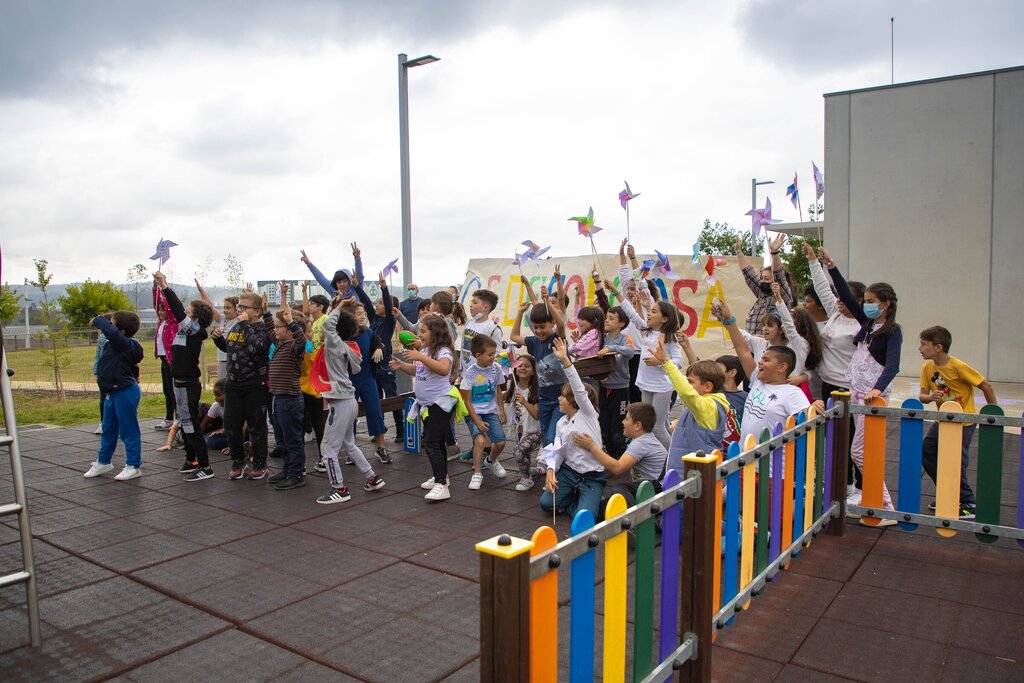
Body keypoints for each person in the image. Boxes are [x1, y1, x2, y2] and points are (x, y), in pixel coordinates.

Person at [819, 246, 901, 524]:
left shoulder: (892, 331)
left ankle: (885, 505)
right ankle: (876, 501)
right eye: (864, 300)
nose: (866, 304)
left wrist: (878, 388)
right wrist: (831, 267)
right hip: (857, 394)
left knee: (859, 451)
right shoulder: (866, 324)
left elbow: (893, 365)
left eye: (872, 300)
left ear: (886, 304)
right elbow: (844, 294)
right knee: (860, 449)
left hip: (871, 398)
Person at [608, 240, 684, 450]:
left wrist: (664, 360)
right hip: (645, 383)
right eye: (649, 312)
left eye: (653, 312)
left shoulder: (668, 337)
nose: (648, 314)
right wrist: (616, 292)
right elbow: (631, 311)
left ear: (665, 319)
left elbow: (678, 360)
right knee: (647, 427)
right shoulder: (646, 329)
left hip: (661, 387)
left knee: (658, 427)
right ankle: (655, 456)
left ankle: (673, 460)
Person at [918, 325, 997, 519]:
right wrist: (930, 398)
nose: (919, 348)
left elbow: (985, 385)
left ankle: (968, 501)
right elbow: (922, 396)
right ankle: (950, 494)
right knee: (927, 450)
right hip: (944, 419)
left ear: (938, 347)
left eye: (923, 344)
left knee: (957, 461)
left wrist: (994, 412)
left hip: (964, 421)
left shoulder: (958, 366)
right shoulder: (927, 367)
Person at [804, 243, 865, 493]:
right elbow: (823, 288)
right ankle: (841, 484)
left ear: (858, 300)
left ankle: (855, 487)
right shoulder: (836, 314)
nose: (839, 300)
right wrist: (812, 261)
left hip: (848, 389)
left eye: (845, 296)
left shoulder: (863, 323)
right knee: (832, 439)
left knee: (850, 440)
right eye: (838, 296)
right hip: (828, 386)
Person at [714, 301, 817, 441]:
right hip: (746, 459)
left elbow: (808, 423)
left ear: (782, 367)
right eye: (761, 358)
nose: (760, 362)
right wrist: (728, 320)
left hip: (771, 462)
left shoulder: (793, 393)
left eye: (766, 360)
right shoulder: (757, 380)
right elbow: (743, 349)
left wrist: (812, 409)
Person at [315, 302, 386, 504]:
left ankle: (340, 489)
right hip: (349, 400)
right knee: (348, 443)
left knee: (328, 448)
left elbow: (327, 326)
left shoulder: (335, 343)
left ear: (336, 330)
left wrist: (339, 306)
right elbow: (355, 369)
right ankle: (372, 477)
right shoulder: (349, 348)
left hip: (341, 402)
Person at [154, 271, 216, 480]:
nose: (186, 311)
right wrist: (159, 288)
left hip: (188, 384)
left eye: (190, 309)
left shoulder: (194, 330)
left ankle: (206, 467)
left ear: (196, 316)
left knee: (191, 425)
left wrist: (165, 286)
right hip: (178, 383)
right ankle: (192, 459)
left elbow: (177, 310)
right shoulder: (184, 330)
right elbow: (171, 309)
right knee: (184, 422)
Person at [391, 314, 457, 501]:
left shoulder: (443, 351)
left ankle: (441, 485)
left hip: (440, 403)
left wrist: (419, 355)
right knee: (437, 442)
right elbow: (419, 369)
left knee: (431, 443)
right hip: (428, 405)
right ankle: (442, 476)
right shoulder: (426, 350)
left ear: (435, 333)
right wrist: (402, 365)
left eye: (422, 331)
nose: (418, 335)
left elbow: (444, 369)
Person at [538, 338, 606, 518]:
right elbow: (557, 451)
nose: (559, 399)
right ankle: (577, 497)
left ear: (574, 400)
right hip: (569, 473)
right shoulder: (562, 422)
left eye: (563, 397)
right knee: (546, 504)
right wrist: (551, 471)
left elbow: (578, 388)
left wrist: (565, 361)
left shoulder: (587, 415)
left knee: (584, 516)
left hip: (591, 476)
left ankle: (585, 499)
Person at [212, 291, 273, 480]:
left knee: (257, 426)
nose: (240, 310)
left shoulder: (262, 329)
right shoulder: (237, 327)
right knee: (231, 424)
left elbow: (257, 349)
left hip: (255, 384)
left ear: (256, 311)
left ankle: (260, 464)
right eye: (239, 306)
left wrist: (245, 324)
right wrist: (218, 339)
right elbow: (231, 348)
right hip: (233, 384)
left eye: (244, 307)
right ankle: (238, 461)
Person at [650, 340, 737, 474]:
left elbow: (686, 393)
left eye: (690, 382)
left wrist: (666, 363)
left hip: (698, 474)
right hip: (690, 470)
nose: (687, 384)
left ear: (707, 386)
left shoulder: (708, 406)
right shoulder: (708, 403)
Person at [573, 402, 667, 514]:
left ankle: (633, 519)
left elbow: (617, 468)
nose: (623, 422)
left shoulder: (641, 443)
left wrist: (591, 446)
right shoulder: (644, 439)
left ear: (637, 426)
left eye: (626, 419)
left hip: (656, 489)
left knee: (619, 489)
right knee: (605, 507)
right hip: (647, 488)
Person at [83, 311, 145, 481]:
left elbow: (109, 329)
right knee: (108, 429)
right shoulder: (116, 344)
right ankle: (104, 461)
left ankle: (133, 465)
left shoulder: (125, 344)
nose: (109, 326)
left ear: (121, 331)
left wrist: (96, 319)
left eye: (113, 323)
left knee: (128, 430)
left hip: (125, 392)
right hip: (111, 392)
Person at [265, 283, 309, 491]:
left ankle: (296, 473)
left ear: (289, 330)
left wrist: (291, 322)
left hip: (290, 399)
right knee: (282, 437)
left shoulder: (294, 347)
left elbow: (301, 338)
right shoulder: (280, 344)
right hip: (278, 398)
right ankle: (287, 468)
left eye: (279, 327)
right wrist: (266, 311)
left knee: (293, 438)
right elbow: (267, 329)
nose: (275, 330)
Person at [349, 273, 391, 464]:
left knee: (375, 410)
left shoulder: (370, 332)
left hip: (367, 378)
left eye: (363, 313)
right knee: (349, 415)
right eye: (358, 314)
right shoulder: (343, 336)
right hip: (349, 381)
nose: (363, 315)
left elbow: (379, 343)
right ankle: (350, 449)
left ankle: (381, 448)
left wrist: (378, 348)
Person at [511, 299, 566, 446]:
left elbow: (561, 324)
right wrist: (520, 312)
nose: (539, 331)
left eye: (543, 327)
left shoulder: (556, 339)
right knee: (546, 440)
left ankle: (555, 467)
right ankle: (550, 467)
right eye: (535, 327)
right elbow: (514, 336)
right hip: (544, 399)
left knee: (552, 437)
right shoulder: (534, 342)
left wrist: (547, 301)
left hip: (560, 399)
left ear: (552, 323)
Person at [459, 335, 508, 490]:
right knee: (480, 441)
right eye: (490, 354)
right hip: (474, 411)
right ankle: (477, 473)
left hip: (490, 411)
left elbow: (498, 390)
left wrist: (501, 409)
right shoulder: (470, 373)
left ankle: (491, 461)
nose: (493, 357)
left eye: (494, 354)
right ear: (478, 356)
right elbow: (467, 401)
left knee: (500, 442)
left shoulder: (496, 368)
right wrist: (477, 421)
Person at [735, 234, 796, 335]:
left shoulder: (783, 297)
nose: (762, 281)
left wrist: (774, 252)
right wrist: (738, 252)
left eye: (766, 278)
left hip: (770, 346)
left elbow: (779, 274)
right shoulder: (762, 294)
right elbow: (748, 273)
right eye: (761, 278)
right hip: (753, 346)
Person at [597, 306, 636, 458]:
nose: (606, 320)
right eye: (606, 317)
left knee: (618, 428)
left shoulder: (624, 338)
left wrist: (611, 348)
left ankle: (621, 460)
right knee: (603, 426)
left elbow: (631, 352)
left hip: (620, 389)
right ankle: (612, 458)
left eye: (611, 318)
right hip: (603, 387)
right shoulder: (601, 338)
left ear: (621, 324)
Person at [370, 279, 403, 443]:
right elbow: (366, 301)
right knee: (376, 398)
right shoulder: (373, 319)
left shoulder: (389, 322)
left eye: (381, 303)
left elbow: (389, 306)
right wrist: (355, 286)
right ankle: (380, 430)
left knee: (392, 397)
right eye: (377, 302)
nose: (377, 305)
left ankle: (400, 429)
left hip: (385, 365)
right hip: (373, 365)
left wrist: (384, 288)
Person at [507, 352, 543, 491]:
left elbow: (536, 415)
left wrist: (525, 401)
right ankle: (537, 471)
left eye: (527, 366)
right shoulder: (513, 386)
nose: (522, 368)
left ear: (533, 372)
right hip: (520, 430)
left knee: (518, 452)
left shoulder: (535, 390)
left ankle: (526, 479)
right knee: (524, 455)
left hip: (535, 430)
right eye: (519, 365)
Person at [299, 242, 364, 301]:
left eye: (345, 281)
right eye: (338, 282)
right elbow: (320, 278)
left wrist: (357, 259)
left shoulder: (356, 289)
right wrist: (308, 263)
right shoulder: (334, 292)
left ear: (350, 281)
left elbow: (360, 276)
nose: (342, 284)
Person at [460, 289, 503, 370]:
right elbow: (463, 347)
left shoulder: (493, 328)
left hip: (483, 375)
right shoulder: (468, 323)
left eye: (475, 302)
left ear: (486, 307)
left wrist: (494, 374)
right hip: (466, 373)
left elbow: (498, 354)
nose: (471, 305)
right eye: (471, 302)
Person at [152, 294, 178, 430]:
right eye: (159, 310)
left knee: (174, 391)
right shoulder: (161, 322)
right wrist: (155, 288)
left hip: (171, 360)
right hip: (163, 360)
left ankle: (178, 418)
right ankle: (169, 418)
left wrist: (163, 287)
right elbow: (156, 301)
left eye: (163, 310)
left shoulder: (173, 322)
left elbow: (168, 304)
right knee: (167, 391)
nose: (160, 312)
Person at [715, 355, 749, 423]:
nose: (713, 372)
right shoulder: (712, 390)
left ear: (732, 372)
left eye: (717, 369)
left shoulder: (747, 398)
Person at [91, 326, 109, 435]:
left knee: (106, 399)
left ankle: (105, 424)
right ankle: (104, 423)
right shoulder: (103, 338)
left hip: (109, 373)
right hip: (104, 372)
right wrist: (96, 371)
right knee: (104, 399)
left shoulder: (124, 338)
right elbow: (98, 355)